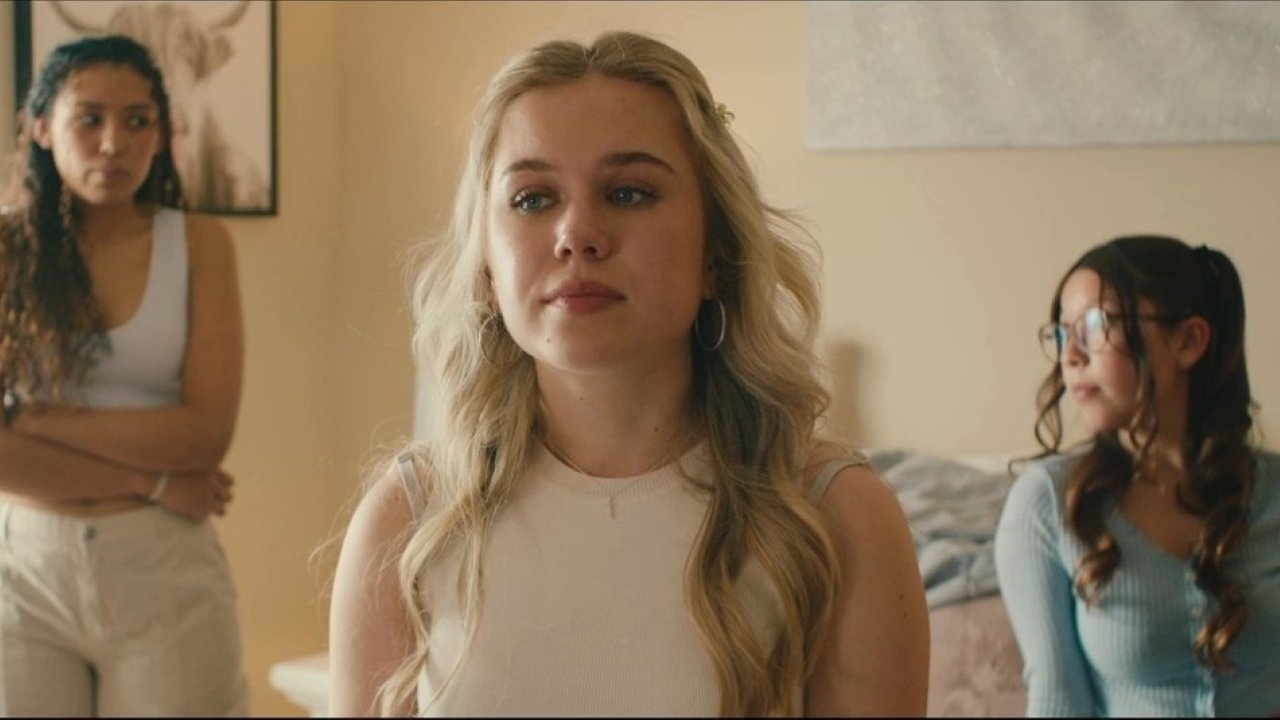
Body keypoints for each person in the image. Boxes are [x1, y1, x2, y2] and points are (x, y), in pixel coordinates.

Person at [329, 31, 928, 717]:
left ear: (715, 253)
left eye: (629, 192)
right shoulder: (409, 520)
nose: (577, 234)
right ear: (488, 267)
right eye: (532, 199)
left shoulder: (834, 516)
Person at [0, 35, 247, 715]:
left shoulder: (200, 244)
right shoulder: (6, 249)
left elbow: (203, 436)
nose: (114, 143)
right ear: (41, 127)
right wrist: (152, 480)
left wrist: (35, 417)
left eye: (138, 121)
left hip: (162, 565)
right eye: (90, 118)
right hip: (23, 571)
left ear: (160, 134)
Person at [994, 236, 1280, 716]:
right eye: (1062, 334)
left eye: (1095, 326)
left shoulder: (1273, 492)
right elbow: (1057, 700)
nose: (1070, 356)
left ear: (1189, 341)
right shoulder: (1047, 502)